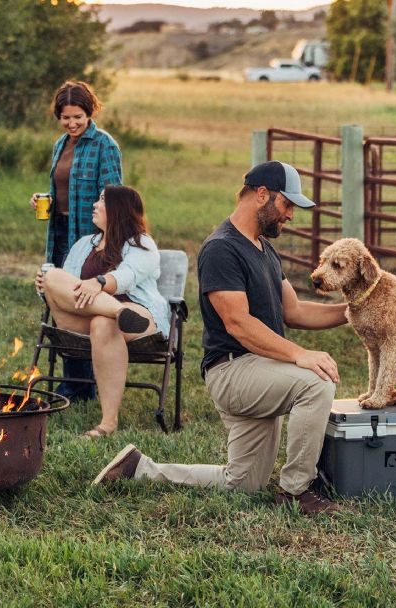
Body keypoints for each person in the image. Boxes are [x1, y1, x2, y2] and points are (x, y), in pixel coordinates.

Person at [92, 161, 350, 516]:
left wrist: (357, 310)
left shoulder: (263, 248)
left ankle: (138, 469)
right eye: (287, 204)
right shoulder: (221, 249)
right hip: (232, 372)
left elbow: (294, 311)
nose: (290, 215)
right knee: (316, 382)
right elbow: (238, 323)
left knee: (243, 483)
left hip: (262, 370)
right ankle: (297, 491)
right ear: (262, 195)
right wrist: (299, 355)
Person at [38, 185, 170, 437]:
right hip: (81, 316)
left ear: (119, 209)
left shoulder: (142, 244)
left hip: (138, 313)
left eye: (102, 201)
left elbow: (128, 276)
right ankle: (117, 312)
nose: (95, 205)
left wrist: (98, 282)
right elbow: (68, 287)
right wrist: (46, 287)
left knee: (103, 322)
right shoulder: (83, 245)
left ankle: (108, 423)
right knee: (52, 275)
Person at [30, 80, 122, 402]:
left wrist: (104, 243)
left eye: (78, 117)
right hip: (59, 233)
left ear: (90, 112)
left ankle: (83, 384)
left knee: (81, 301)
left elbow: (114, 198)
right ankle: (75, 379)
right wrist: (44, 199)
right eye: (65, 118)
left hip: (88, 239)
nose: (71, 124)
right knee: (58, 299)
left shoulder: (104, 145)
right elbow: (63, 188)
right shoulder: (60, 145)